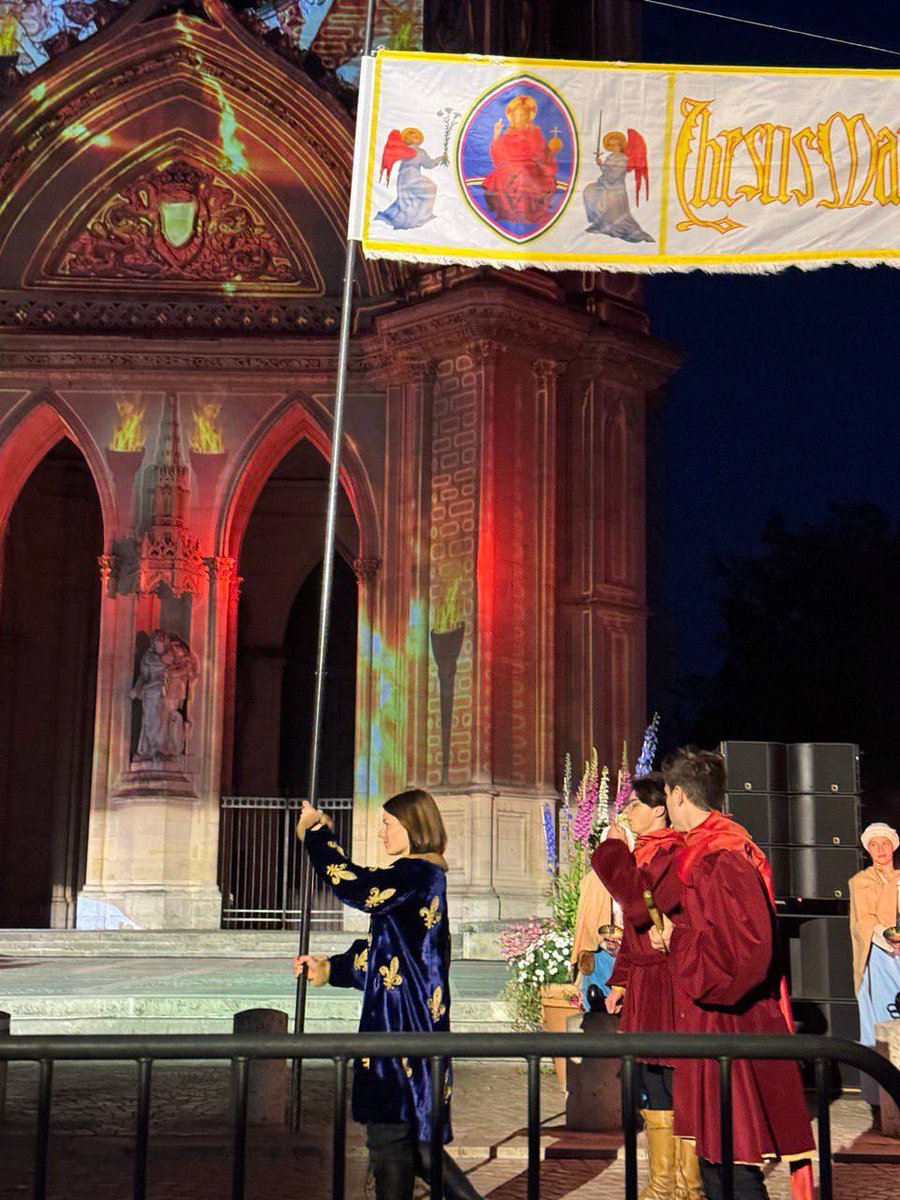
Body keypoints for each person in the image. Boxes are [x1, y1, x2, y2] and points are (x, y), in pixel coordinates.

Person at [295, 789, 481, 1200]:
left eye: (387, 824)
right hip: (403, 1024)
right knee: (413, 1147)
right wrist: (329, 968)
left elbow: (357, 886)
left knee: (394, 1141)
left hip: (403, 1031)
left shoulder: (416, 875)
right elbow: (384, 962)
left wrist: (318, 836)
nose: (381, 833)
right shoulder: (416, 880)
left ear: (413, 828)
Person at [651, 748, 815, 1200]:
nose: (665, 806)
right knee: (715, 1163)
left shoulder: (722, 856)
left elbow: (747, 953)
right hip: (709, 1026)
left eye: (666, 795)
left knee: (734, 1164)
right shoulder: (701, 851)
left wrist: (677, 943)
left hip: (730, 1026)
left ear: (679, 794)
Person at [592, 774, 699, 1200]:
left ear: (659, 809)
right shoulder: (646, 854)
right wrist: (619, 980)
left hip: (671, 984)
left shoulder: (673, 852)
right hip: (645, 981)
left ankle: (688, 1187)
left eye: (635, 805)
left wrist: (613, 851)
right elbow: (637, 932)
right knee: (653, 1081)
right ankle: (661, 1184)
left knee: (677, 1079)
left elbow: (641, 907)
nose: (628, 812)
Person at [849, 821, 900, 1113]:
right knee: (880, 1026)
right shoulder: (862, 881)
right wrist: (890, 937)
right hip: (879, 958)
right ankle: (882, 1104)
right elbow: (864, 923)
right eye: (873, 845)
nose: (880, 850)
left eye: (885, 844)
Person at [483, 94, 559, 226]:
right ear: (512, 117)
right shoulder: (507, 133)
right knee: (499, 177)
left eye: (523, 115)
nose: (519, 118)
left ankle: (526, 214)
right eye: (517, 115)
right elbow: (497, 156)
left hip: (531, 168)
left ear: (529, 116)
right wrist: (496, 134)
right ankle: (508, 213)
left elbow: (541, 154)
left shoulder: (535, 132)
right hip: (508, 168)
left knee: (523, 176)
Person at [583, 129, 655, 243]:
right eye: (611, 145)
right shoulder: (612, 157)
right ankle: (600, 224)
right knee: (589, 191)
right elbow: (607, 172)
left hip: (615, 189)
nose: (613, 147)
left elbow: (613, 176)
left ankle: (618, 229)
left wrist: (603, 168)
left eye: (615, 144)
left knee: (611, 209)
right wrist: (601, 164)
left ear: (620, 145)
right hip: (606, 185)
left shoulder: (622, 159)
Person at [377, 128, 447, 230]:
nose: (416, 139)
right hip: (411, 176)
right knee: (429, 188)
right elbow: (429, 164)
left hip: (406, 176)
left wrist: (440, 158)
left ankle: (417, 215)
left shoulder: (406, 150)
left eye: (417, 137)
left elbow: (428, 164)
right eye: (414, 137)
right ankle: (421, 215)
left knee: (412, 196)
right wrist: (440, 159)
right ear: (408, 139)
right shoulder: (412, 150)